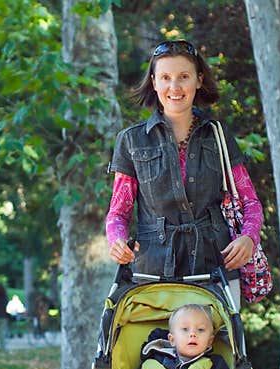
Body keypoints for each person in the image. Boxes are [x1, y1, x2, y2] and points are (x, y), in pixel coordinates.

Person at [104, 39, 265, 303]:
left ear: (199, 80)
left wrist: (249, 237)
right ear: (154, 82)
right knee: (156, 345)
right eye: (165, 77)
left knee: (224, 345)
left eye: (184, 77)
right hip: (153, 277)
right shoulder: (131, 140)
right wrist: (117, 241)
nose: (174, 87)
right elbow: (118, 213)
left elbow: (251, 203)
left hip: (217, 271)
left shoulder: (219, 136)